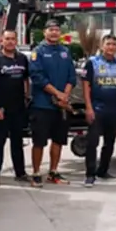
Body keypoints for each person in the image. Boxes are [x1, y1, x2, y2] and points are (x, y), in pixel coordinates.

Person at [28, 20, 76, 186]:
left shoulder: (65, 51)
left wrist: (65, 96)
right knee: (39, 141)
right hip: (42, 105)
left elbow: (72, 76)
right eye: (51, 30)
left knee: (58, 140)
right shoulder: (38, 52)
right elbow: (37, 77)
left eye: (57, 30)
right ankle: (35, 173)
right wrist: (57, 94)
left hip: (61, 106)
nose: (54, 32)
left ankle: (53, 172)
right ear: (45, 32)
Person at [81, 33, 116, 186]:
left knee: (110, 142)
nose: (111, 47)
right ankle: (90, 174)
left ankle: (103, 171)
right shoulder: (92, 63)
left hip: (113, 109)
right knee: (92, 142)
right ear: (102, 46)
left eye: (114, 45)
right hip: (96, 108)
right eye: (108, 44)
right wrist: (88, 107)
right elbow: (86, 86)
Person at [0, 29, 30, 187]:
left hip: (18, 108)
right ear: (2, 42)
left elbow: (26, 81)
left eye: (13, 39)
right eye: (7, 39)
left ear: (16, 41)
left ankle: (21, 173)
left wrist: (26, 98)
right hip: (1, 108)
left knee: (17, 142)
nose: (10, 41)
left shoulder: (22, 59)